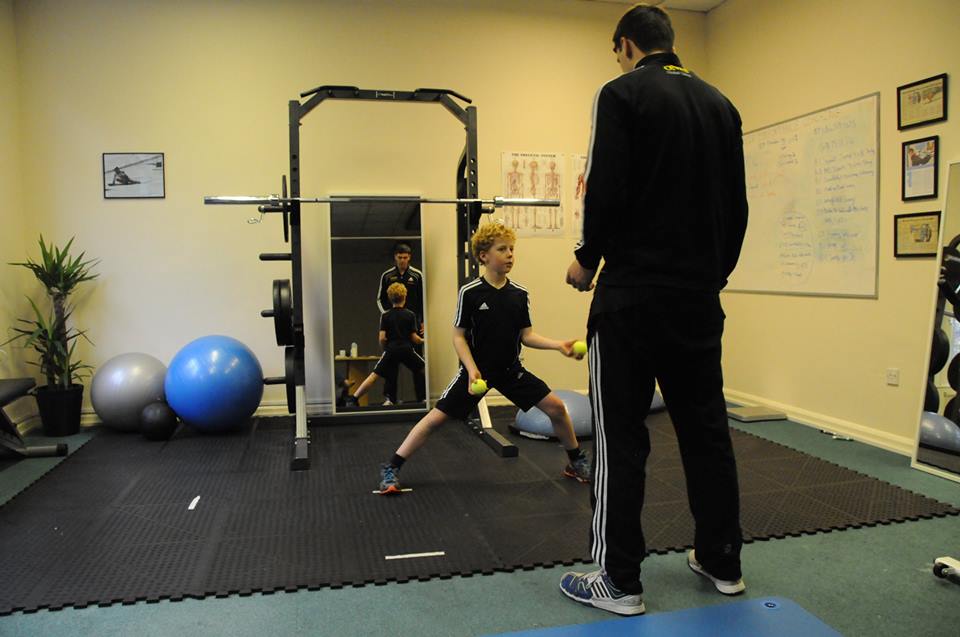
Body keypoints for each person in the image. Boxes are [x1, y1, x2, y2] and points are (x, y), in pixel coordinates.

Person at [559, 4, 749, 617]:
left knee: (621, 437)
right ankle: (722, 560)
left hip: (632, 300)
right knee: (707, 432)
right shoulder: (722, 105)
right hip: (699, 299)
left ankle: (618, 580)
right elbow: (738, 209)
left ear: (625, 45)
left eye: (617, 51)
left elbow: (604, 186)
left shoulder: (620, 93)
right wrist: (711, 277)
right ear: (670, 41)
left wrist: (586, 259)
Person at [377, 221, 591, 494]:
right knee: (435, 419)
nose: (510, 254)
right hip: (476, 372)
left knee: (557, 408)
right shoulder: (470, 293)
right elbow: (458, 337)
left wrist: (559, 345)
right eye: (502, 249)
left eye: (512, 249)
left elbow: (527, 336)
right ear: (483, 256)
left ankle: (575, 461)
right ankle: (392, 467)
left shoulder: (519, 294)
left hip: (510, 370)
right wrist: (471, 370)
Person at [346, 282, 425, 406]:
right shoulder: (410, 315)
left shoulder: (385, 315)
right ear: (405, 297)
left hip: (391, 350)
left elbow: (382, 338)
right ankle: (425, 397)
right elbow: (414, 338)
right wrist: (424, 341)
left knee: (374, 375)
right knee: (424, 368)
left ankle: (354, 398)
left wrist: (385, 349)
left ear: (389, 298)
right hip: (406, 350)